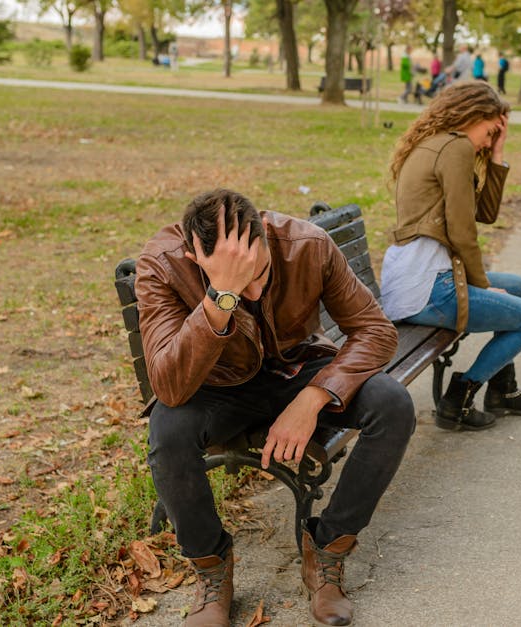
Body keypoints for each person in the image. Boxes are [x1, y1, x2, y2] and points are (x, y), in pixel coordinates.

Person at [137, 189, 415, 627]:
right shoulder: (163, 263)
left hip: (298, 370)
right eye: (236, 283)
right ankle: (212, 571)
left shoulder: (306, 244)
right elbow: (169, 386)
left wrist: (314, 397)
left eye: (258, 273)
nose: (252, 290)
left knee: (392, 404)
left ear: (265, 233)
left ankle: (327, 552)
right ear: (194, 256)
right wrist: (221, 296)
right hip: (215, 384)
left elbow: (375, 331)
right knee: (167, 431)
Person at [381, 82, 521, 431]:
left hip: (421, 278)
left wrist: (497, 153)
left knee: (518, 287)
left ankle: (502, 391)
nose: (488, 141)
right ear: (472, 115)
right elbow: (461, 231)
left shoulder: (440, 143)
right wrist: (482, 285)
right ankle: (459, 398)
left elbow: (484, 213)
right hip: (426, 288)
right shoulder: (454, 148)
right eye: (490, 132)